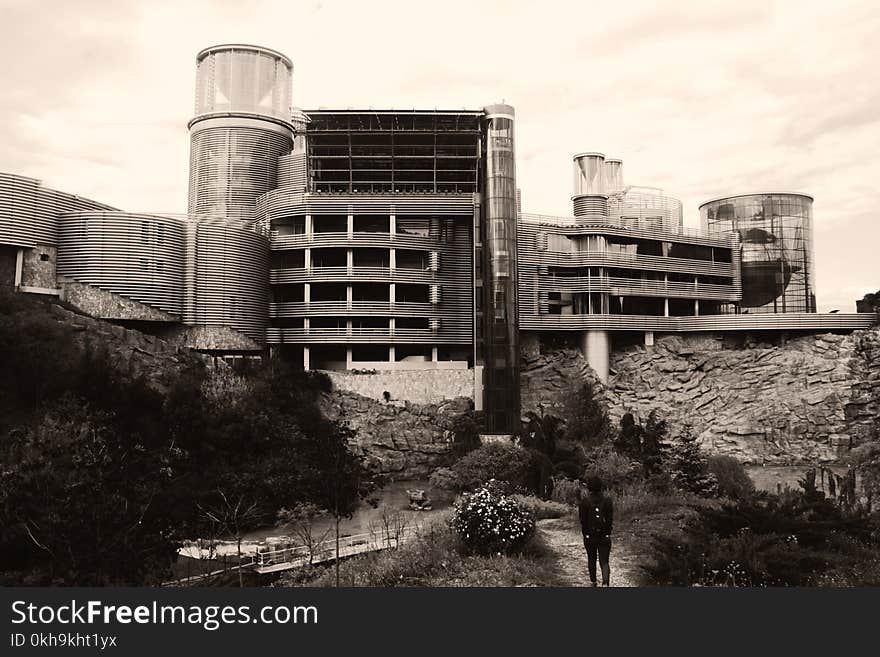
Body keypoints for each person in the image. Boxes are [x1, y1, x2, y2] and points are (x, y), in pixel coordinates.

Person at [578, 475, 613, 587]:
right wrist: (608, 532)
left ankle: (593, 581)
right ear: (601, 487)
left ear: (589, 487)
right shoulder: (607, 501)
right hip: (604, 536)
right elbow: (609, 519)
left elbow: (583, 520)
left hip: (590, 536)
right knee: (604, 561)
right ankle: (605, 583)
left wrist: (585, 534)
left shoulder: (585, 502)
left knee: (591, 558)